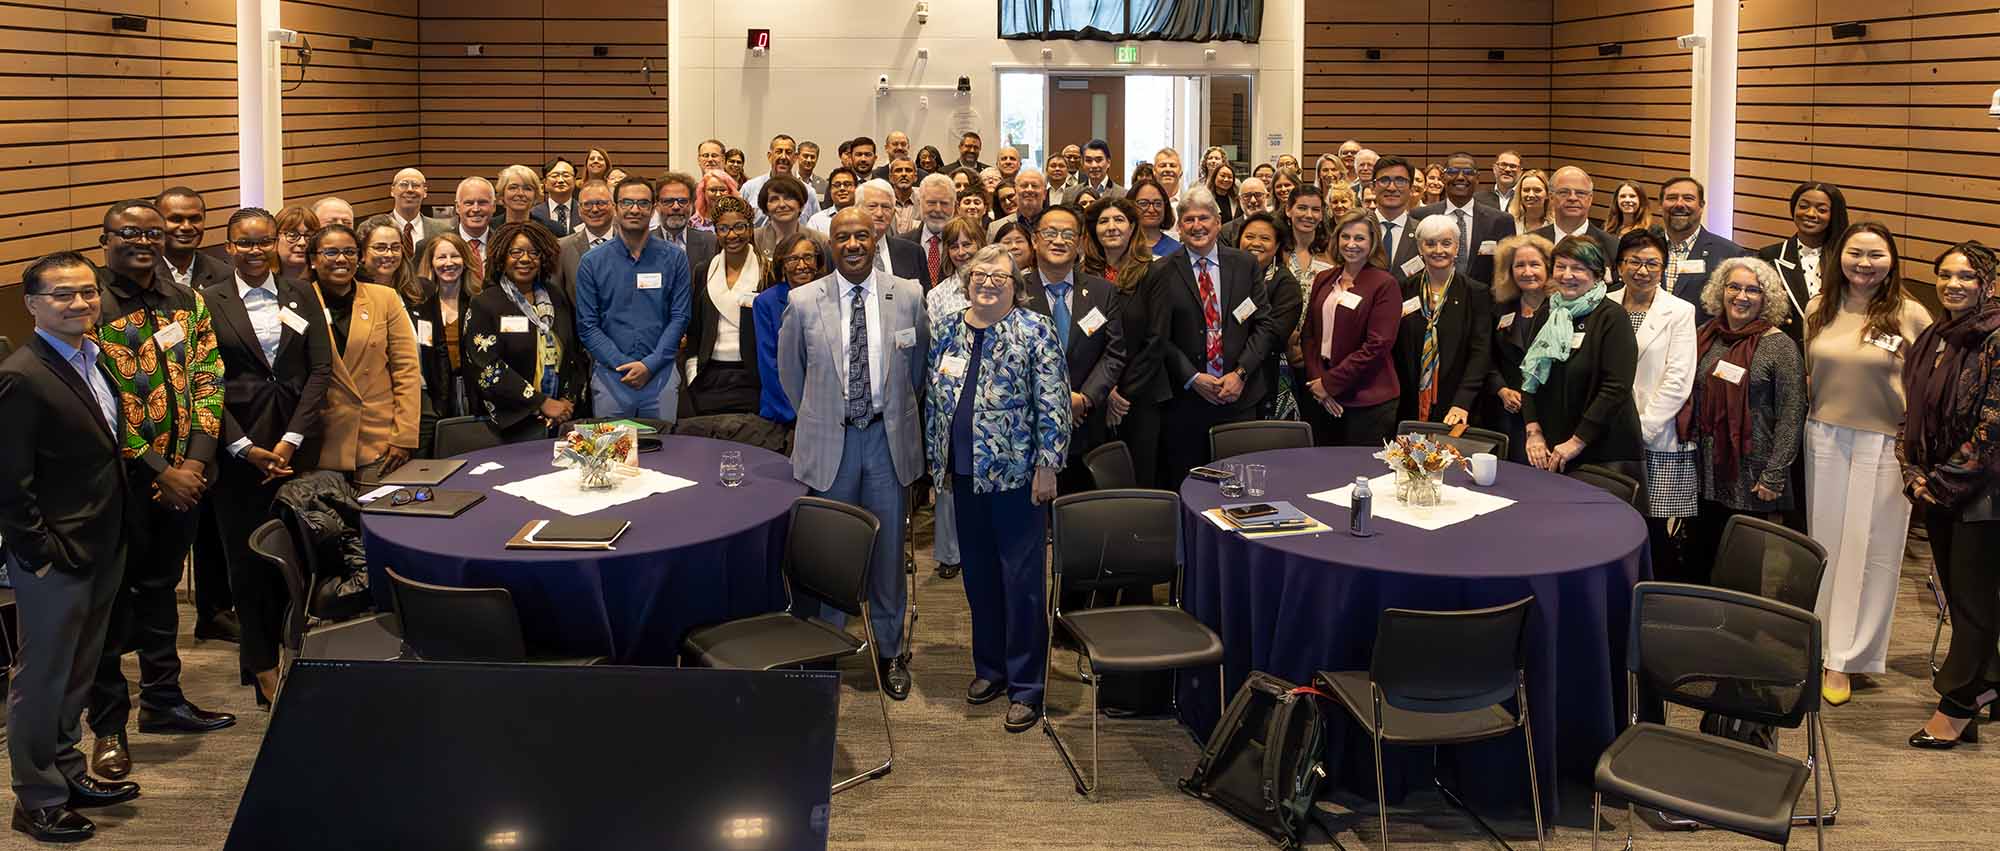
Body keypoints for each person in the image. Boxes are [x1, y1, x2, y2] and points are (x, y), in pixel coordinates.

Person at [87, 200, 236, 785]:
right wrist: (158, 470)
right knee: (107, 604)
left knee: (160, 591)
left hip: (184, 480)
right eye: (130, 232)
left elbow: (208, 379)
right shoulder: (91, 305)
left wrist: (194, 464)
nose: (144, 241)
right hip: (116, 484)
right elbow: (93, 404)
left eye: (152, 233)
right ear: (105, 239)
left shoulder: (185, 301)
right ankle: (108, 728)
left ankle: (163, 700)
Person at [1, 252, 142, 843]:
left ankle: (66, 770)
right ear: (32, 305)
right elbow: (10, 482)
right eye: (62, 295)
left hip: (101, 542)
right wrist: (37, 553)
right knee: (43, 679)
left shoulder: (93, 356)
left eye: (87, 292)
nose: (80, 303)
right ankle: (36, 798)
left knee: (77, 673)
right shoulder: (21, 376)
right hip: (54, 556)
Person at [777, 207, 927, 700]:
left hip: (886, 441)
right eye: (843, 237)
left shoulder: (908, 295)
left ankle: (890, 650)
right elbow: (791, 375)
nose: (854, 244)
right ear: (831, 244)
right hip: (831, 442)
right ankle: (825, 648)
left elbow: (916, 370)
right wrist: (822, 415)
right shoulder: (803, 301)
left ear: (876, 238)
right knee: (829, 552)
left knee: (887, 553)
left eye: (862, 235)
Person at [924, 243, 1068, 732]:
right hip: (964, 475)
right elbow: (934, 401)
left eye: (999, 277)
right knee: (979, 578)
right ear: (967, 282)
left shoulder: (1035, 329)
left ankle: (1027, 684)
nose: (987, 282)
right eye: (979, 275)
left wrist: (1048, 465)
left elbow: (1053, 402)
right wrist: (937, 465)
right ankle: (990, 668)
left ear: (1015, 287)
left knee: (1021, 582)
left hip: (1017, 477)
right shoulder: (948, 328)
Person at [201, 207, 334, 707]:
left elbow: (319, 370)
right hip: (237, 451)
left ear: (276, 243)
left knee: (296, 558)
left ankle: (296, 655)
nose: (255, 250)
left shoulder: (301, 292)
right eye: (244, 242)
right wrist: (243, 446)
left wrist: (291, 439)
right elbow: (202, 380)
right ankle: (261, 665)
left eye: (263, 241)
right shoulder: (208, 300)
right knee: (247, 562)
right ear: (229, 247)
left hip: (297, 446)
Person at [1804, 221, 1933, 706]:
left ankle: (1848, 657)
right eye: (1855, 253)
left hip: (1885, 444)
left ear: (1892, 261)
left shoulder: (1911, 314)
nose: (1864, 263)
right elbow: (1812, 373)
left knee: (1873, 549)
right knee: (1827, 545)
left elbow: (1929, 386)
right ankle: (1821, 643)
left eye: (1876, 255)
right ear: (1840, 256)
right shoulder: (1819, 307)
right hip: (1824, 436)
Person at [1900, 241, 2000, 748]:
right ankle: (1990, 685)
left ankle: (1959, 702)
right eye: (1945, 275)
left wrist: (1939, 484)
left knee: (1974, 602)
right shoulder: (1936, 336)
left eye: (1966, 276)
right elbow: (1911, 411)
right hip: (1939, 490)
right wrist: (1912, 471)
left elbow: (1993, 429)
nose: (1952, 284)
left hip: (1983, 495)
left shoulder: (1996, 338)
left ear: (1988, 284)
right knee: (1962, 598)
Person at [1678, 256, 1805, 585]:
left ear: (1766, 298)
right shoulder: (1704, 335)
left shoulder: (1779, 346)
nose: (1741, 296)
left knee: (1742, 567)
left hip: (1751, 474)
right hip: (1703, 469)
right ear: (1720, 291)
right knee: (1697, 558)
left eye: (1753, 290)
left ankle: (1737, 617)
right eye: (1733, 287)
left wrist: (1774, 476)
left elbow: (1791, 414)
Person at [1140, 187, 1274, 482]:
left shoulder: (1245, 264)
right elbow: (1158, 335)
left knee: (1240, 484)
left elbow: (1263, 325)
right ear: (1179, 226)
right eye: (1189, 220)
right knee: (1190, 484)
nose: (1197, 225)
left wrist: (1240, 373)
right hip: (1186, 401)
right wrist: (1192, 377)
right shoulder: (1160, 271)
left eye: (1204, 218)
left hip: (1240, 396)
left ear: (1218, 221)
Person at [1610, 228, 1698, 578]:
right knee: (1611, 519)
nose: (1642, 271)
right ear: (1620, 266)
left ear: (1663, 268)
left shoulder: (1679, 311)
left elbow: (1678, 380)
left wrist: (1641, 429)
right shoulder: (1603, 302)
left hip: (1654, 434)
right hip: (1605, 434)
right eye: (1634, 262)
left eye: (1652, 264)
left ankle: (1652, 592)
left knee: (1653, 527)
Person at [1519, 236, 1644, 474]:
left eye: (1577, 268)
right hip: (1551, 445)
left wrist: (1577, 441)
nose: (1567, 275)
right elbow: (1529, 374)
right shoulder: (1547, 312)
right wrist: (1533, 431)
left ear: (1597, 274)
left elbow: (1616, 387)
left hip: (1603, 448)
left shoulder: (1612, 316)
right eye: (1561, 266)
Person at [308, 223, 422, 481]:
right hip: (319, 439)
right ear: (314, 260)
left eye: (349, 252)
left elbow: (406, 371)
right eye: (331, 252)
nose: (341, 259)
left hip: (378, 439)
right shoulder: (298, 301)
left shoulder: (385, 298)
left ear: (359, 257)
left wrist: (404, 436)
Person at [1024, 204, 1125, 494]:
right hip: (1030, 428)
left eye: (1068, 234)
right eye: (1050, 233)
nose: (1059, 240)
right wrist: (1053, 403)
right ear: (1034, 240)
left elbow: (1114, 353)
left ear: (1080, 243)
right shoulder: (1015, 291)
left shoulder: (1103, 291)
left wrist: (1085, 398)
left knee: (1084, 512)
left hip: (1087, 426)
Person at [575, 178, 692, 423]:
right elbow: (587, 325)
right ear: (615, 207)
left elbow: (680, 317)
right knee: (611, 447)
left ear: (654, 208)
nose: (635, 210)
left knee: (664, 446)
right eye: (627, 202)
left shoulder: (675, 258)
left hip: (660, 375)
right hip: (611, 377)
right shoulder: (592, 262)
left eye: (642, 203)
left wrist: (650, 365)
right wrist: (623, 364)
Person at [465, 221, 589, 442]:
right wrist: (540, 402)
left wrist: (567, 401)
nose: (525, 259)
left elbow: (575, 353)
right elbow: (487, 367)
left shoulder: (556, 297)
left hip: (561, 418)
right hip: (513, 423)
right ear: (502, 258)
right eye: (516, 252)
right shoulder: (485, 303)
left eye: (534, 253)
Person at [920, 217, 989, 580]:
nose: (962, 252)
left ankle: (984, 545)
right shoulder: (937, 294)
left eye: (968, 243)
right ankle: (949, 552)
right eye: (955, 245)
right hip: (949, 392)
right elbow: (935, 348)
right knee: (948, 473)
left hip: (991, 391)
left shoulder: (995, 284)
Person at [1300, 210, 1401, 446]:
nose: (1351, 244)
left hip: (1368, 401)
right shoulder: (1324, 278)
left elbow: (1377, 346)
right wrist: (1318, 383)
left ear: (1372, 242)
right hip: (1321, 396)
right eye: (1345, 237)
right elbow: (1309, 335)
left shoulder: (1385, 284)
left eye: (1359, 238)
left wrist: (1330, 384)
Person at [1391, 213, 1493, 427]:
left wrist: (1462, 402)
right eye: (1430, 244)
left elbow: (1481, 352)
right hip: (1409, 403)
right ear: (1420, 248)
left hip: (1457, 406)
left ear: (1457, 247)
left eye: (1446, 243)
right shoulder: (1403, 289)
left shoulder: (1476, 292)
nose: (1438, 250)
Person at [359, 221, 452, 454]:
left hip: (423, 402)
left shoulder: (421, 290)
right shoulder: (354, 295)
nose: (389, 254)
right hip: (376, 406)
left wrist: (440, 403)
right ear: (362, 253)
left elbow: (438, 348)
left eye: (395, 247)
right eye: (380, 247)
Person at [686, 196, 764, 415]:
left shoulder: (766, 271)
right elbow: (696, 330)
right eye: (723, 228)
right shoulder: (704, 270)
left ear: (750, 228)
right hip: (709, 375)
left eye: (739, 227)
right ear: (716, 232)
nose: (732, 235)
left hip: (752, 377)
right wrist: (692, 374)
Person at [1485, 233, 1557, 462]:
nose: (1527, 272)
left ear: (1549, 268)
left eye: (1535, 264)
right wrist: (1501, 389)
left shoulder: (1562, 310)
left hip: (1548, 413)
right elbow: (1486, 355)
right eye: (1519, 265)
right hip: (1508, 411)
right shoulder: (1500, 308)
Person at [1758, 181, 1849, 345]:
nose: (1810, 213)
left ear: (1834, 215)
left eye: (1822, 210)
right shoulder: (1770, 256)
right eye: (1803, 206)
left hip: (1836, 349)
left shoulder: (1845, 258)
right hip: (1785, 352)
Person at [755, 231, 829, 426]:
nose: (802, 265)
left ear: (818, 261)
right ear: (782, 264)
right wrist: (797, 412)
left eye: (808, 257)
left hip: (825, 408)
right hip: (783, 412)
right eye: (793, 259)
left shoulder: (831, 297)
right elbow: (768, 364)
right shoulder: (766, 302)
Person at [1412, 151, 1518, 284]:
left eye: (1468, 172)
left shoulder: (1501, 221)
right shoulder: (1420, 216)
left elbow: (1508, 270)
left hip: (1484, 295)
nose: (1461, 177)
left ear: (1477, 178)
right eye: (1453, 171)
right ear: (1443, 178)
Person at [1235, 213, 1303, 419]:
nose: (1255, 243)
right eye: (1249, 237)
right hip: (1224, 373)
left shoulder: (1285, 284)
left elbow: (1273, 337)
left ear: (1277, 246)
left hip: (1264, 377)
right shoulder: (1229, 275)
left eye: (1265, 238)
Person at [1658, 175, 1750, 324]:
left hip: (1701, 337)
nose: (1679, 204)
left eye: (1688, 198)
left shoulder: (1730, 255)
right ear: (1660, 205)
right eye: (1672, 198)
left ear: (1701, 206)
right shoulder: (1645, 248)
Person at [417, 232, 477, 391]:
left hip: (475, 392)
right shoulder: (421, 308)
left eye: (455, 256)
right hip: (434, 392)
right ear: (431, 263)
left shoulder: (479, 304)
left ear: (465, 261)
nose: (449, 263)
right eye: (441, 257)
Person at [855, 178, 931, 288]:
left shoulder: (913, 253)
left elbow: (924, 296)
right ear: (857, 210)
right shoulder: (841, 252)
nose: (879, 213)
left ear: (893, 212)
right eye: (872, 206)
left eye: (886, 207)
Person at [1532, 166, 1617, 263]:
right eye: (1564, 192)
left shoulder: (1612, 247)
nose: (1572, 198)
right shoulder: (1531, 242)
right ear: (1551, 198)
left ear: (1590, 198)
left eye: (1580, 193)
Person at [555, 178, 618, 303]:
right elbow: (559, 299)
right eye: (587, 204)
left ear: (614, 207)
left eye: (601, 203)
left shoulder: (631, 244)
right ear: (579, 210)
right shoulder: (561, 248)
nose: (594, 209)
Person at [359, 168, 452, 254]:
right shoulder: (374, 229)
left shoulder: (442, 230)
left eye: (415, 185)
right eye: (403, 185)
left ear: (425, 192)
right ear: (392, 191)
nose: (410, 189)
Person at [155, 187, 231, 291]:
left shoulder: (224, 275)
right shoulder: (141, 275)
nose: (186, 227)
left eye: (195, 219)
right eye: (176, 219)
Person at [742, 134, 822, 226]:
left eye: (788, 152)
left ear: (795, 158)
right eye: (778, 152)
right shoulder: (749, 188)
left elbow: (817, 225)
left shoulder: (808, 193)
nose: (783, 157)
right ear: (769, 156)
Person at [654, 172, 720, 275]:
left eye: (683, 201)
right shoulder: (643, 244)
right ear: (657, 206)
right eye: (668, 201)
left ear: (692, 205)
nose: (676, 207)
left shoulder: (711, 243)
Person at [899, 173, 959, 286]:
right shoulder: (901, 245)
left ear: (955, 206)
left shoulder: (965, 245)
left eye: (944, 203)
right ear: (919, 203)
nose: (938, 209)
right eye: (931, 203)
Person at [1371, 156, 1424, 278]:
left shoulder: (1421, 232)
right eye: (1384, 180)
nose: (1391, 188)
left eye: (1400, 181)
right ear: (1373, 187)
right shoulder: (1357, 228)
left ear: (1411, 188)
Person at [753, 174, 823, 257]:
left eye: (788, 198)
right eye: (774, 199)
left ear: (801, 205)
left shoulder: (820, 241)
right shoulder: (753, 239)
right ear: (766, 208)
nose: (782, 204)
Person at [453, 176, 499, 282]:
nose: (476, 209)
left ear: (494, 207)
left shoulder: (503, 244)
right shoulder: (435, 245)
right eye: (469, 203)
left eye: (482, 203)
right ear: (458, 207)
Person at [988, 168, 1048, 241]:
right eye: (1024, 186)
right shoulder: (995, 228)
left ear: (1044, 194)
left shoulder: (1056, 223)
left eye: (1034, 185)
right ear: (1016, 192)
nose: (1029, 189)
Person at [1128, 178, 1178, 259]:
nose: (1151, 210)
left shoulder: (1176, 251)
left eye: (1158, 203)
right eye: (1143, 203)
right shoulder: (1121, 246)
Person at [530, 156, 580, 235]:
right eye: (554, 176)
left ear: (574, 180)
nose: (560, 180)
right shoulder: (534, 214)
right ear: (545, 182)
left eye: (566, 175)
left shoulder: (585, 211)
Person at [805, 167, 860, 235]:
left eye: (847, 184)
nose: (842, 188)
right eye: (837, 185)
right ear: (830, 190)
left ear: (856, 188)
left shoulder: (866, 217)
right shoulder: (816, 221)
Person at [275, 205, 319, 281]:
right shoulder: (264, 282)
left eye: (309, 236)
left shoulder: (326, 283)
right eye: (293, 235)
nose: (302, 243)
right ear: (275, 238)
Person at [1509, 168, 1554, 236]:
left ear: (1548, 194)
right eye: (1526, 190)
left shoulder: (1556, 224)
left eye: (1537, 190)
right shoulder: (1511, 223)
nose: (1531, 195)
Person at [887, 157, 923, 234]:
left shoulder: (924, 199)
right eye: (898, 170)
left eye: (908, 170)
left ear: (915, 177)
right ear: (891, 177)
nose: (904, 174)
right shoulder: (883, 200)